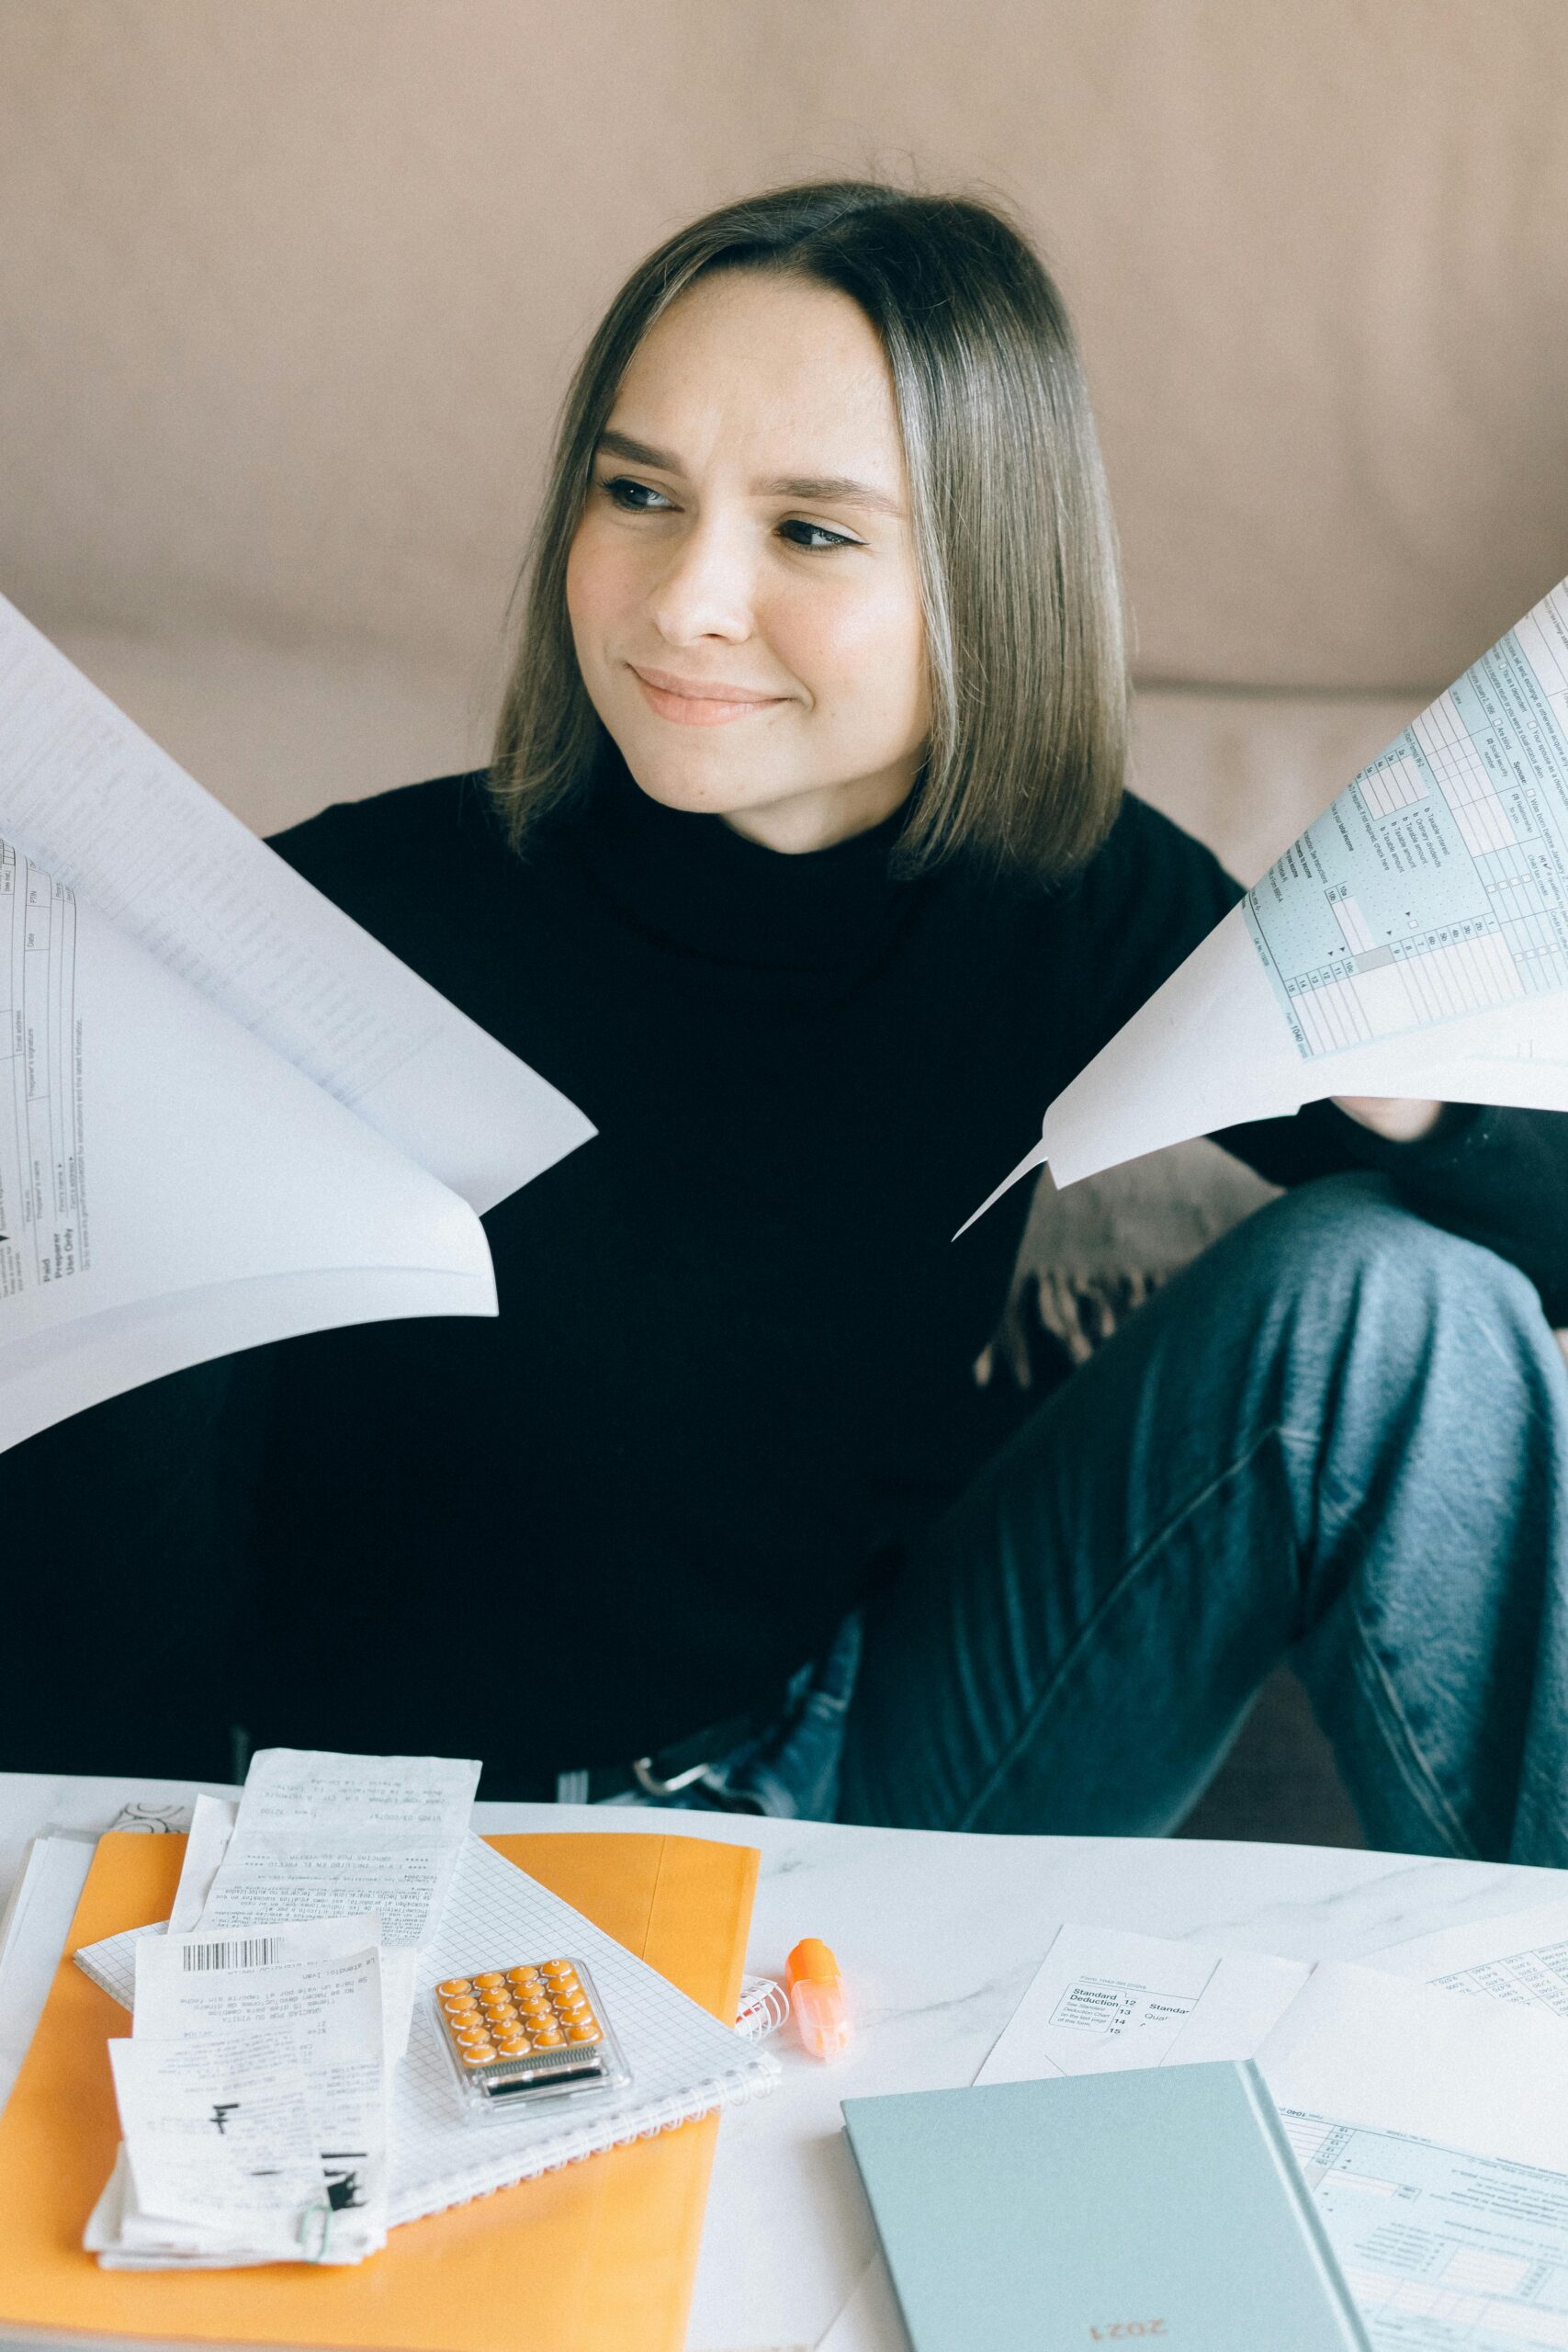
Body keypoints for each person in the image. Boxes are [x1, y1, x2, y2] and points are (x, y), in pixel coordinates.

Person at [18, 180, 1568, 1854]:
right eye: (638, 494)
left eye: (811, 531)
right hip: (385, 1852)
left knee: (1388, 1298)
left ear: (992, 578)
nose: (685, 602)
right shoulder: (315, 929)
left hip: (844, 1773)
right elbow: (89, 1629)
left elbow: (1528, 1263)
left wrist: (1391, 1087)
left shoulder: (1072, 893)